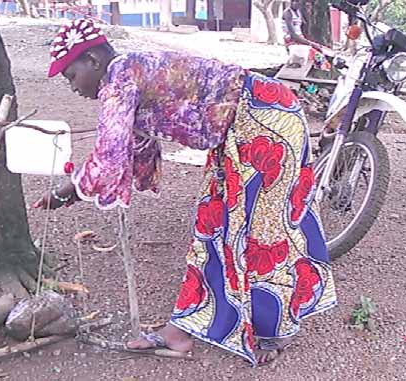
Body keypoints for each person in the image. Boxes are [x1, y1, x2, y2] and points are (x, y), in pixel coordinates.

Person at [35, 18, 337, 366]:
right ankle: (182, 330)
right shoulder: (129, 70)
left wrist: (69, 189)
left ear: (93, 60)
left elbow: (110, 154)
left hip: (264, 118)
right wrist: (79, 190)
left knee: (265, 231)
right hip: (244, 123)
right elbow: (132, 144)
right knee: (214, 225)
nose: (73, 87)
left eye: (71, 76)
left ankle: (273, 328)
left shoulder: (119, 78)